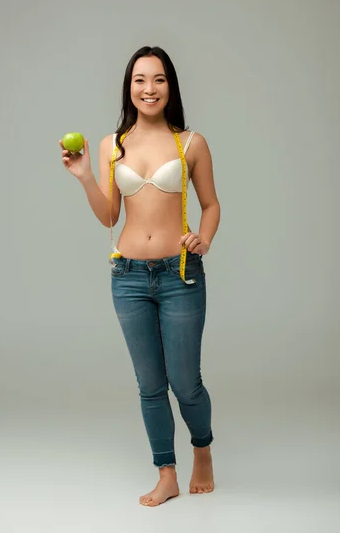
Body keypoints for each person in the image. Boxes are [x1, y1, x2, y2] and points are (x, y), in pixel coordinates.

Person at [59, 46, 221, 507]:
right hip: (127, 275)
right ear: (129, 88)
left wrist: (204, 238)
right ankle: (166, 472)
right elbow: (109, 214)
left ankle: (203, 450)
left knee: (186, 381)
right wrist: (86, 176)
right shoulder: (114, 144)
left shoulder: (191, 143)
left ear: (171, 87)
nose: (149, 89)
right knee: (150, 383)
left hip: (180, 272)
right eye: (140, 80)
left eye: (159, 80)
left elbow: (210, 205)